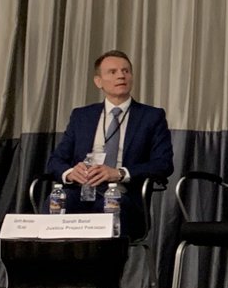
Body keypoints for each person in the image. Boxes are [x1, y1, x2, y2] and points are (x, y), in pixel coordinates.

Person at [46, 50, 174, 238]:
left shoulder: (151, 116)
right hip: (81, 192)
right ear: (98, 81)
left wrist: (119, 173)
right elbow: (55, 161)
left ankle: (104, 259)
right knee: (57, 203)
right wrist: (71, 173)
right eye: (113, 72)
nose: (121, 76)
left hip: (122, 196)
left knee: (109, 208)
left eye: (126, 71)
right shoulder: (82, 116)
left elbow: (163, 164)